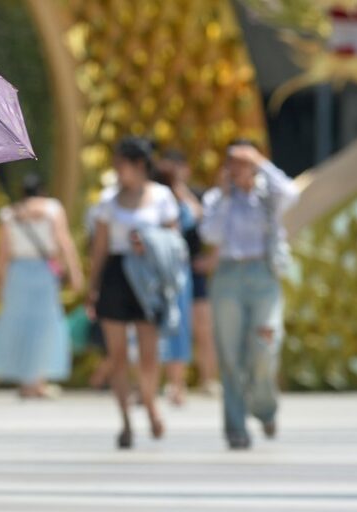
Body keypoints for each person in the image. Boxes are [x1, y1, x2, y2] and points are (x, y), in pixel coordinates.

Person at [199, 140, 298, 450]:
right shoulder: (218, 198)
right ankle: (236, 426)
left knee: (266, 345)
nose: (239, 167)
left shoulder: (268, 195)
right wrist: (227, 195)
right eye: (234, 161)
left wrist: (262, 163)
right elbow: (210, 234)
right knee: (229, 355)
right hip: (228, 275)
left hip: (262, 275)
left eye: (246, 161)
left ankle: (265, 408)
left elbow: (293, 193)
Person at [87, 137, 180, 449]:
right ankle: (125, 420)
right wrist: (92, 287)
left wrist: (150, 241)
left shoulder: (162, 196)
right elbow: (99, 247)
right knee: (117, 355)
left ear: (139, 165)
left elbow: (174, 240)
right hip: (116, 275)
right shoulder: (108, 200)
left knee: (149, 353)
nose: (117, 170)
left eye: (121, 164)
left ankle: (151, 404)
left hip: (147, 275)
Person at [0, 174, 84, 398]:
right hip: (44, 272)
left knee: (19, 324)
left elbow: (3, 254)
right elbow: (64, 242)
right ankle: (37, 381)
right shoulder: (53, 209)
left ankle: (29, 382)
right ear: (42, 191)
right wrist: (75, 273)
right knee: (44, 325)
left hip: (18, 273)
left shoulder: (8, 215)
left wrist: (1, 284)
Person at [155, 150, 220, 404]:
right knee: (167, 327)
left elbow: (204, 221)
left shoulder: (197, 194)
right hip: (162, 267)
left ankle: (208, 379)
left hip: (191, 267)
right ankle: (169, 382)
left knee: (202, 326)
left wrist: (181, 190)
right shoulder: (156, 195)